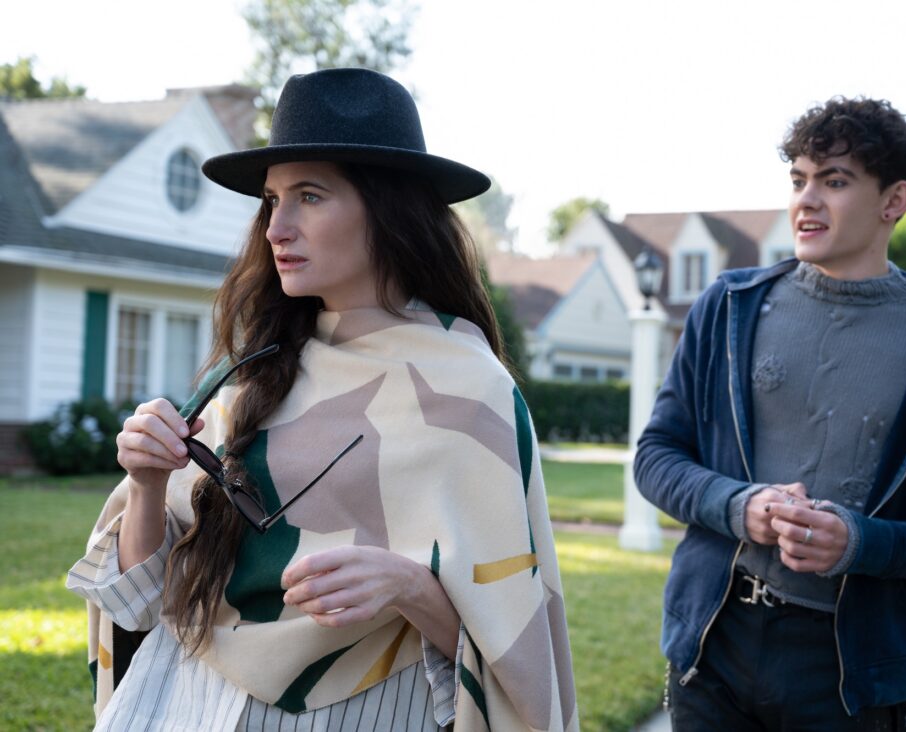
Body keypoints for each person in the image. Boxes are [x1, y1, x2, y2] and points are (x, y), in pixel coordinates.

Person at [68, 68, 578, 732]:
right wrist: (145, 483)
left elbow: (514, 664)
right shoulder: (250, 372)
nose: (277, 226)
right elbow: (138, 604)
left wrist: (410, 588)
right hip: (185, 701)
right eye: (272, 200)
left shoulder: (469, 393)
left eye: (309, 196)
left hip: (358, 711)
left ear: (390, 208)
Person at [633, 97, 906, 731]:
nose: (807, 199)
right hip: (713, 647)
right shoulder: (727, 309)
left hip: (852, 674)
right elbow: (657, 456)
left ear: (895, 201)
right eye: (799, 179)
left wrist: (858, 542)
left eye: (834, 182)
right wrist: (739, 505)